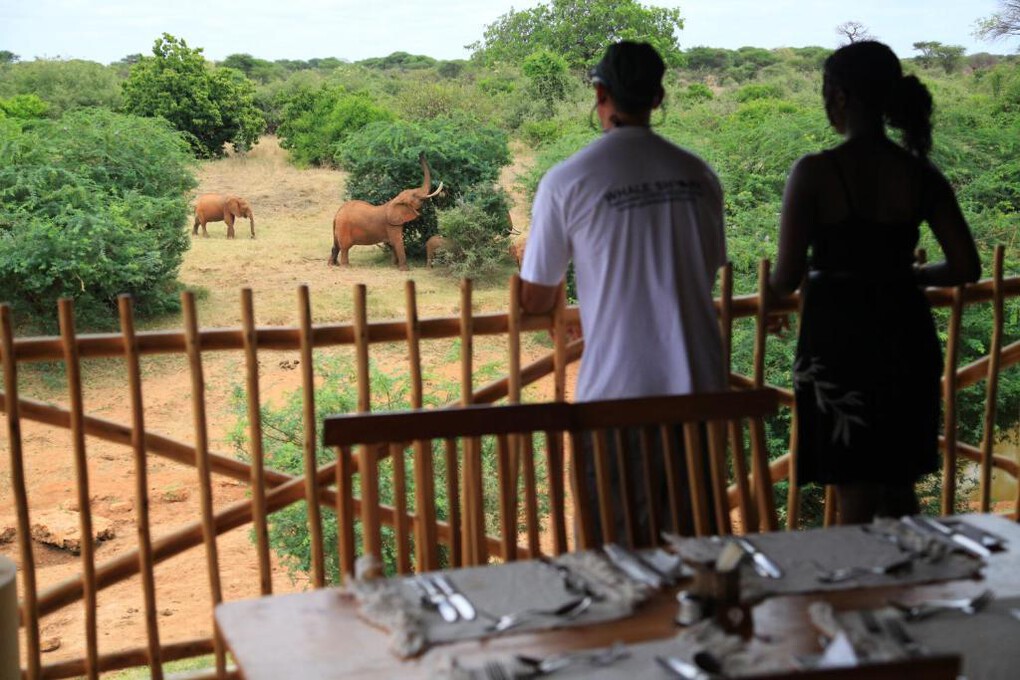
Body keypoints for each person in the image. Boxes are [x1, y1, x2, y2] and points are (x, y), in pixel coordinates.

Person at [519, 41, 727, 543]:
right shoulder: (699, 175)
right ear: (658, 97)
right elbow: (705, 271)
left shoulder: (567, 180)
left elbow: (535, 300)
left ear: (600, 94)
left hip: (617, 395)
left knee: (613, 549)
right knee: (694, 546)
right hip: (701, 390)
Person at [769, 41, 980, 525]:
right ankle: (909, 572)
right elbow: (966, 267)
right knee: (898, 484)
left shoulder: (815, 172)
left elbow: (784, 278)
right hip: (905, 335)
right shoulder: (920, 172)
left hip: (838, 341)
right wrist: (911, 276)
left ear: (841, 97)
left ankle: (858, 574)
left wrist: (772, 298)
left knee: (853, 492)